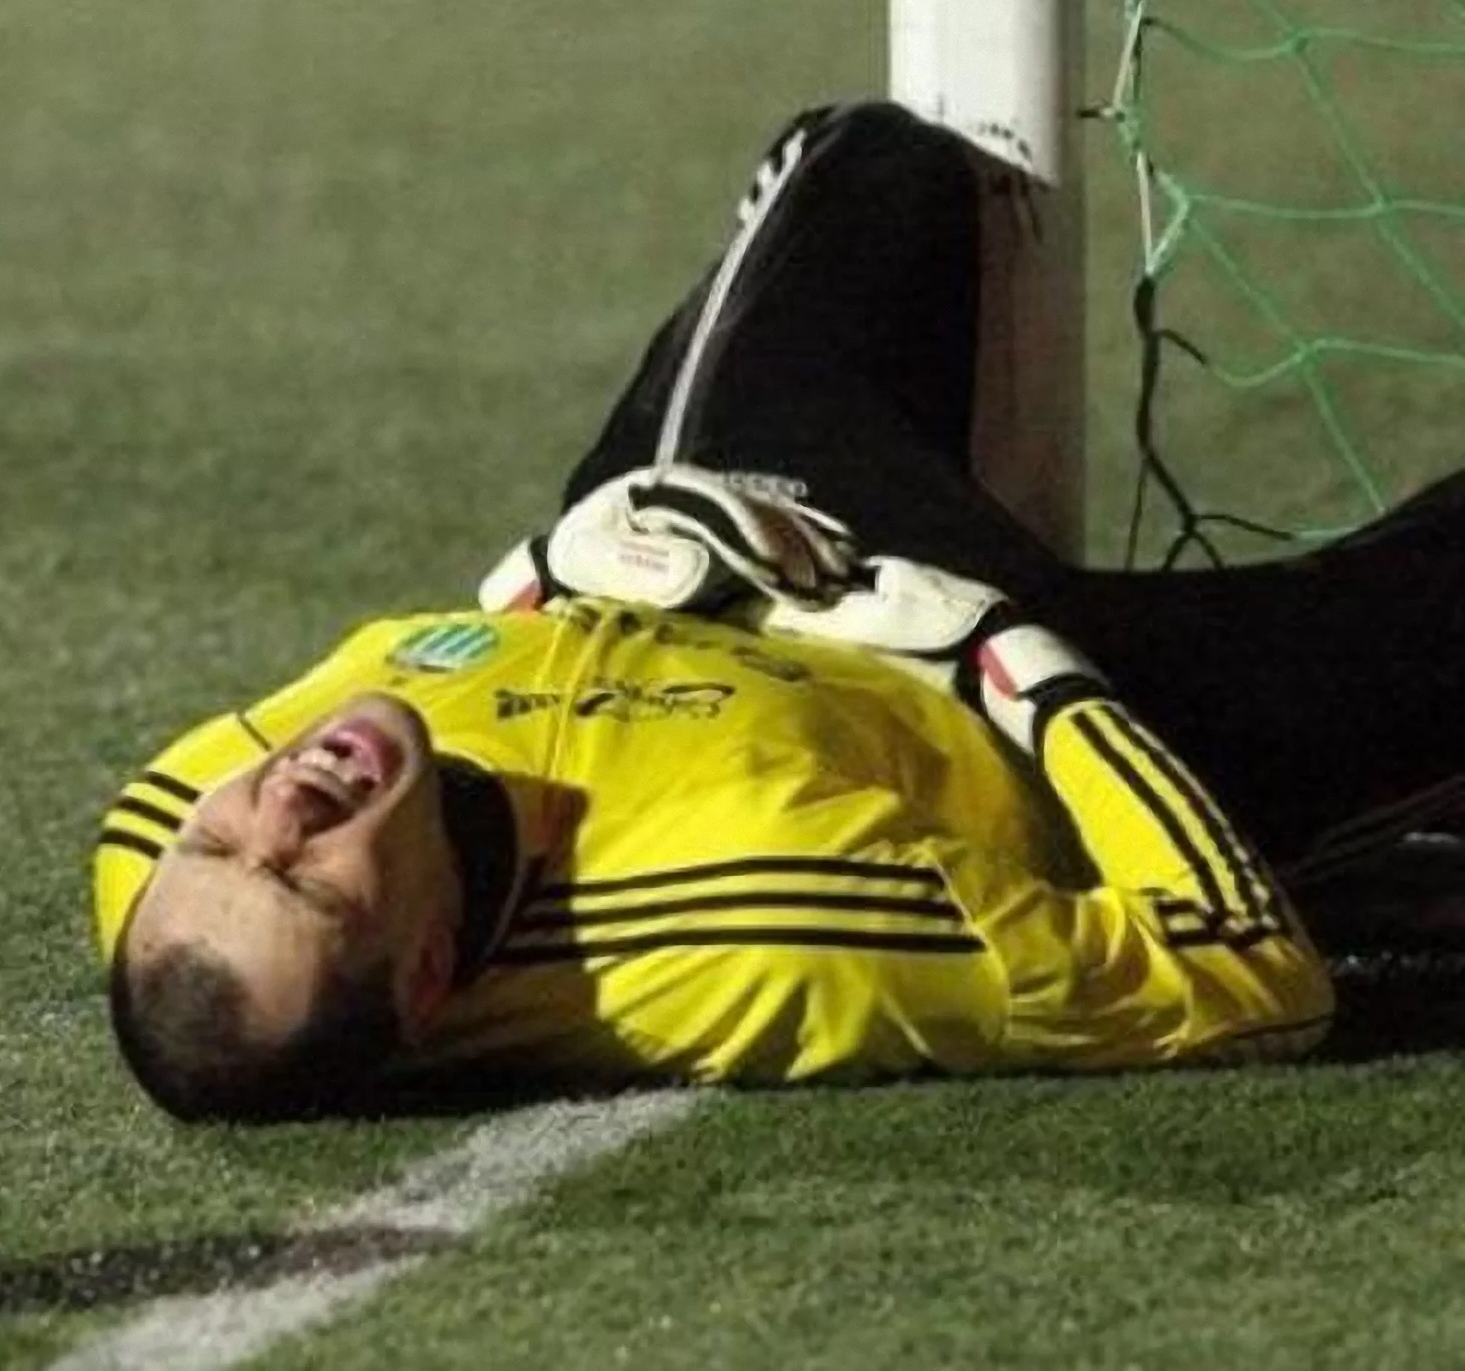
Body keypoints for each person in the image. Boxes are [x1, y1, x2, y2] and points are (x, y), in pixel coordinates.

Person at [94, 101, 1465, 1121]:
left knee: (875, 164)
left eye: (225, 839)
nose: (277, 807)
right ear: (434, 970)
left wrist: (554, 570)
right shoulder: (766, 924)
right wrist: (998, 657)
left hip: (730, 538)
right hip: (1022, 699)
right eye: (306, 877)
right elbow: (1245, 980)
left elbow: (374, 707)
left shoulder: (168, 854)